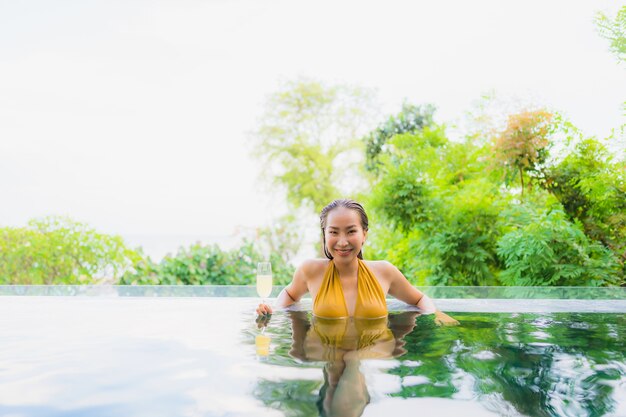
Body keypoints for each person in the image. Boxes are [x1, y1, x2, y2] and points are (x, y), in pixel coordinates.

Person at [256, 199, 459, 326]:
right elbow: (290, 293)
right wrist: (275, 313)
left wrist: (435, 315)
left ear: (364, 235)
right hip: (327, 354)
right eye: (334, 232)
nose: (342, 242)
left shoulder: (384, 271)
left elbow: (419, 299)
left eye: (351, 231)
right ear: (324, 235)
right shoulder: (310, 270)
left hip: (373, 356)